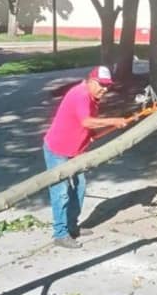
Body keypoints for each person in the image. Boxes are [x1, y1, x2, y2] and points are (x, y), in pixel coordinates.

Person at [43, 65, 128, 249]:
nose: (104, 89)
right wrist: (114, 120)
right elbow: (87, 121)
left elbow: (91, 132)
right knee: (61, 193)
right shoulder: (81, 94)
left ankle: (72, 226)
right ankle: (60, 234)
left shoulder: (92, 98)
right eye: (101, 84)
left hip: (76, 151)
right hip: (57, 149)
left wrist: (117, 125)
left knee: (79, 187)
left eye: (107, 86)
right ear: (90, 81)